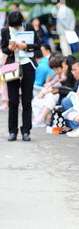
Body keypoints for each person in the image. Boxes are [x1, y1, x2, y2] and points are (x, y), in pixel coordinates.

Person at [1, 11, 40, 141]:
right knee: (13, 101)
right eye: (14, 26)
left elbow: (37, 45)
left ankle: (26, 131)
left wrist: (26, 46)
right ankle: (12, 131)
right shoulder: (5, 31)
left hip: (28, 65)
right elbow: (3, 49)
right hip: (11, 66)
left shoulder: (28, 26)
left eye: (17, 26)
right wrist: (10, 49)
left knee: (27, 100)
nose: (16, 28)